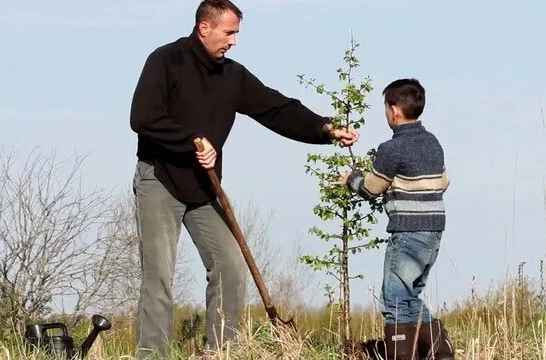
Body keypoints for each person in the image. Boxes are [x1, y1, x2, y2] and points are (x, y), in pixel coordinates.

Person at [129, 0, 359, 358]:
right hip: (160, 177)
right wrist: (191, 140)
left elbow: (276, 108)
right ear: (204, 28)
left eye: (236, 33)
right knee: (159, 276)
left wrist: (325, 129)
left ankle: (222, 352)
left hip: (204, 187)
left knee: (232, 267)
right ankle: (152, 355)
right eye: (229, 32)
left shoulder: (232, 76)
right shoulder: (166, 60)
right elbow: (143, 117)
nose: (234, 41)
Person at [335, 79, 454, 360]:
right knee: (410, 295)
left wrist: (351, 179)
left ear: (394, 110)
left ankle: (400, 355)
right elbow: (444, 181)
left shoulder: (392, 148)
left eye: (385, 108)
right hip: (434, 231)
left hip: (408, 232)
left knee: (394, 300)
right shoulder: (432, 142)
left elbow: (371, 188)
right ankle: (440, 350)